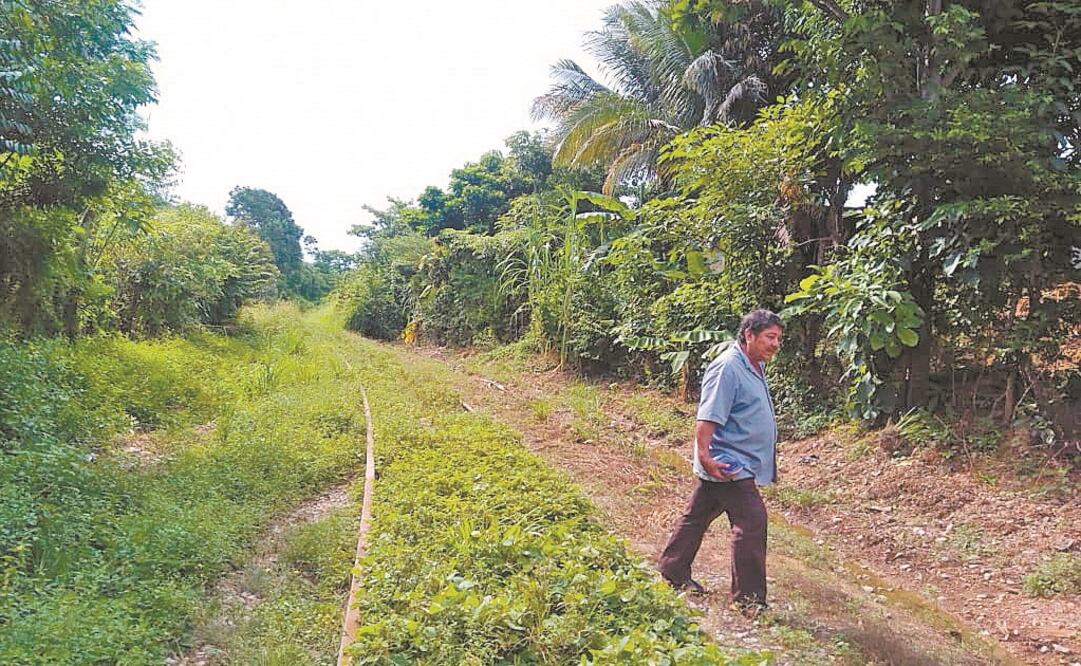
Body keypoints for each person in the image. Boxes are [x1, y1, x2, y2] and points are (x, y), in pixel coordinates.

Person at [658, 309, 783, 613]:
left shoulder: (752, 365)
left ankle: (672, 569)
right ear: (749, 335)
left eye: (779, 338)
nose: (776, 344)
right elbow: (708, 415)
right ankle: (749, 600)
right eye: (770, 337)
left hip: (734, 459)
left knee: (697, 514)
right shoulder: (728, 367)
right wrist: (705, 455)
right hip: (727, 461)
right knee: (752, 522)